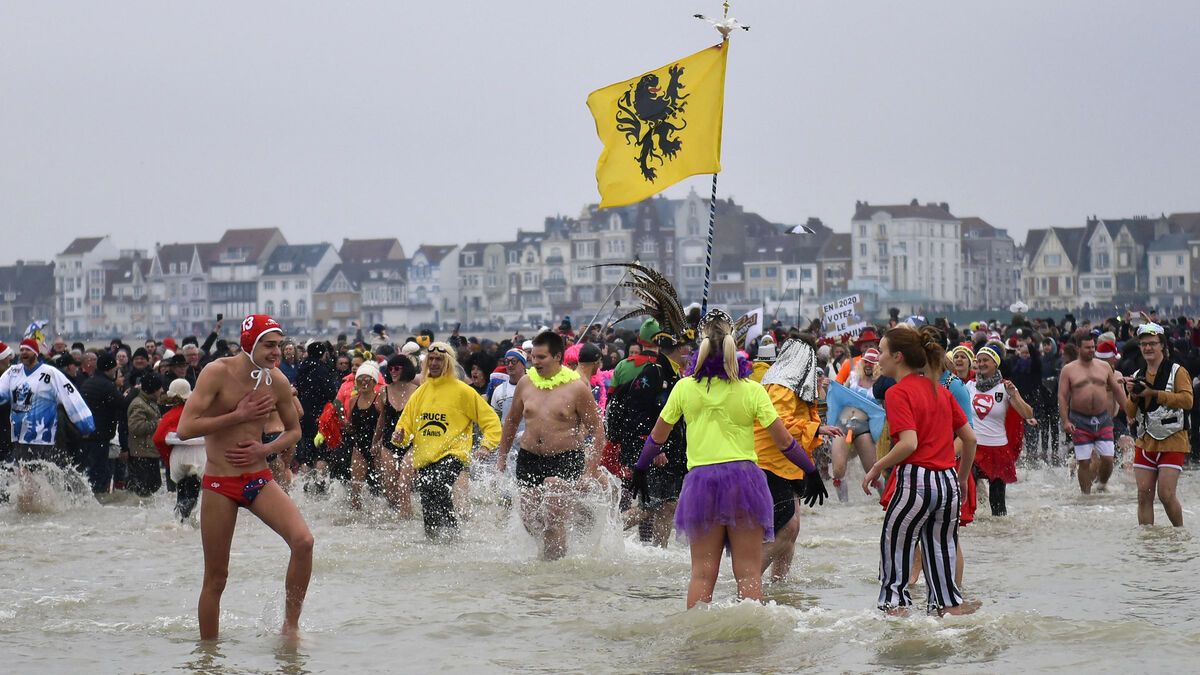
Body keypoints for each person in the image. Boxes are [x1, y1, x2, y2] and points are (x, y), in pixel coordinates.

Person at [630, 309, 823, 608]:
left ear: (702, 344)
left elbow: (657, 437)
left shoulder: (684, 387)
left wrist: (640, 469)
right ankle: (749, 644)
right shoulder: (752, 390)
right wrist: (811, 470)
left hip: (700, 484)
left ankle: (698, 646)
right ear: (734, 342)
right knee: (748, 576)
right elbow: (784, 441)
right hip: (744, 483)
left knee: (702, 576)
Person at [176, 315, 310, 641]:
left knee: (304, 542)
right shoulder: (216, 372)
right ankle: (208, 656)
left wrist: (265, 449)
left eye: (279, 344)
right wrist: (238, 415)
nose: (277, 352)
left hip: (257, 478)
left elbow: (294, 430)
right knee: (216, 578)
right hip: (220, 483)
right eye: (269, 345)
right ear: (249, 342)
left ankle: (290, 628)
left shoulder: (275, 380)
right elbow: (185, 428)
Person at [863, 326, 977, 616]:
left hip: (916, 481)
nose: (879, 359)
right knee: (941, 557)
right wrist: (962, 478)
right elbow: (971, 439)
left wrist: (877, 465)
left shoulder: (898, 392)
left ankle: (895, 612)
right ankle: (949, 607)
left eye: (883, 352)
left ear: (898, 357)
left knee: (895, 550)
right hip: (948, 483)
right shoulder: (941, 390)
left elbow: (909, 443)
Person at [495, 331, 605, 559]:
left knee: (554, 519)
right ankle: (547, 554)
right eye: (533, 357)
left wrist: (591, 470)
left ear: (557, 357)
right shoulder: (525, 383)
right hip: (529, 457)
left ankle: (554, 577)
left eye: (541, 357)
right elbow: (512, 421)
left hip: (565, 458)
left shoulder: (577, 388)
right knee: (530, 517)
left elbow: (597, 430)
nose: (535, 362)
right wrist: (502, 455)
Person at [393, 342, 501, 541]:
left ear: (448, 363)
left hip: (454, 454)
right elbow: (404, 427)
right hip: (425, 457)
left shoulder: (463, 391)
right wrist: (399, 436)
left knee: (437, 485)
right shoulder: (420, 393)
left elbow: (491, 421)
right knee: (427, 497)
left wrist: (486, 445)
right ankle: (436, 542)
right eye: (431, 359)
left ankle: (452, 535)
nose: (434, 363)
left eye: (439, 360)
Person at [755, 338, 838, 581]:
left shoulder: (793, 384)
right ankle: (749, 582)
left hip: (791, 463)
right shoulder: (780, 385)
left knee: (793, 528)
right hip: (770, 462)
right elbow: (779, 423)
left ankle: (779, 585)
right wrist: (817, 429)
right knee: (785, 527)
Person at [605, 318, 689, 547]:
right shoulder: (654, 372)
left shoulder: (676, 374)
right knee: (648, 507)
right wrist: (654, 448)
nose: (690, 351)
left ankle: (659, 550)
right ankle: (604, 535)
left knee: (668, 504)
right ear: (679, 348)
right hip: (652, 450)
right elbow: (637, 414)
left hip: (672, 452)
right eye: (687, 347)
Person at [1125, 322, 1191, 526]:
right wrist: (1134, 395)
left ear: (1162, 345)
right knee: (1143, 495)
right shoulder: (1138, 375)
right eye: (1144, 344)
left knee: (1165, 494)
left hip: (1173, 439)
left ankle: (1178, 534)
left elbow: (1188, 401)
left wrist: (1153, 394)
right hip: (1145, 441)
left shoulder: (1177, 371)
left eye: (1152, 343)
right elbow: (1129, 412)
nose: (1147, 348)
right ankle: (1148, 543)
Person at [967, 344, 1034, 516]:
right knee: (968, 485)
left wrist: (1013, 395)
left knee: (998, 506)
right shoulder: (969, 386)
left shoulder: (1005, 387)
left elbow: (1027, 413)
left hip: (997, 449)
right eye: (979, 360)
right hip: (974, 447)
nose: (981, 364)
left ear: (995, 364)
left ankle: (999, 534)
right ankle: (971, 526)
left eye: (986, 361)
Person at [1058, 332, 1127, 494]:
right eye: (1087, 347)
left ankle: (1102, 484)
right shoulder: (1068, 370)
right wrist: (1065, 421)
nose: (1091, 350)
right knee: (1084, 462)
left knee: (1108, 459)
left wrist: (1129, 410)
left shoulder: (1103, 367)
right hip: (1079, 420)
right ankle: (1086, 494)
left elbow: (1117, 389)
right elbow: (1062, 396)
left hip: (1103, 418)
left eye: (1093, 347)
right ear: (1078, 348)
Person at [830, 347, 882, 501]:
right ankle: (843, 507)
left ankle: (885, 504)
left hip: (863, 429)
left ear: (877, 365)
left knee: (874, 472)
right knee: (838, 470)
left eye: (872, 363)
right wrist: (828, 387)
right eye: (866, 361)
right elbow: (840, 393)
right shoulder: (853, 376)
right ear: (862, 362)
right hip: (843, 424)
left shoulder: (881, 383)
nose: (869, 365)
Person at [154, 378, 205, 520]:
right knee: (194, 492)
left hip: (177, 456)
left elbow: (157, 439)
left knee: (181, 491)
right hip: (198, 455)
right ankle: (190, 519)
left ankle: (179, 520)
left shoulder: (169, 416)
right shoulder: (200, 413)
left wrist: (167, 457)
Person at [79, 351, 125, 494]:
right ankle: (98, 501)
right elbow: (122, 405)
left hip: (86, 436)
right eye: (115, 370)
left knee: (89, 473)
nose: (116, 373)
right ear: (109, 369)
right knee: (99, 475)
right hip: (99, 437)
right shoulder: (107, 386)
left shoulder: (88, 382)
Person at [125, 373, 164, 497]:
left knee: (154, 486)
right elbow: (135, 427)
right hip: (141, 454)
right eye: (159, 388)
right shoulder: (139, 404)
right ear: (153, 389)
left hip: (149, 452)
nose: (162, 390)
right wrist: (157, 423)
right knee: (143, 491)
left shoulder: (150, 401)